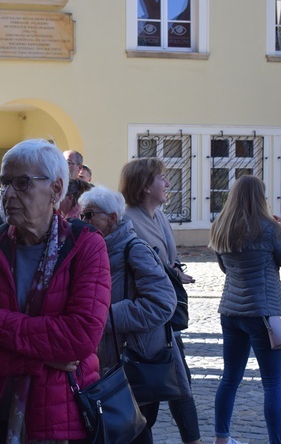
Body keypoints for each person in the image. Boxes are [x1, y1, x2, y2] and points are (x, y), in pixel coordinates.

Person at [0, 139, 111, 443]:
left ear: (55, 189)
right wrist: (36, 360)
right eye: (5, 182)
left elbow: (81, 336)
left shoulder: (86, 247)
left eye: (22, 183)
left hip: (61, 418)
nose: (7, 194)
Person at [78, 186, 191, 443]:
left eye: (89, 215)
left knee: (135, 430)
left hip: (134, 363)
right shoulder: (94, 251)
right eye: (82, 215)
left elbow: (162, 303)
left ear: (112, 219)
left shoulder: (134, 249)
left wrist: (105, 318)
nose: (83, 221)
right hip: (105, 363)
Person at [209, 175, 281, 444]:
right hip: (263, 314)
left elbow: (226, 268)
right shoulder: (271, 229)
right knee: (272, 384)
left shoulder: (220, 227)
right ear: (261, 197)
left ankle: (221, 438)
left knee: (229, 379)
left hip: (231, 312)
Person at [120, 157, 202, 444]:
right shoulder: (127, 220)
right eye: (161, 178)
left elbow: (167, 258)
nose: (167, 183)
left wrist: (177, 272)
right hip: (147, 320)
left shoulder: (159, 216)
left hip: (167, 315)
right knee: (155, 391)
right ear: (144, 186)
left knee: (178, 383)